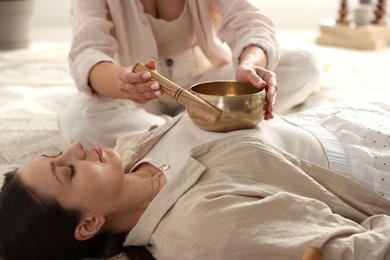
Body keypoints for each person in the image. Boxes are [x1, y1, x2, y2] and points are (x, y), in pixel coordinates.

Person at [1, 99, 389, 260]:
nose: (73, 148)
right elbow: (362, 250)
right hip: (369, 160)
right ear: (88, 223)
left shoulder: (131, 150)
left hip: (334, 116)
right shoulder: (205, 227)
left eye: (56, 154)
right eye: (67, 170)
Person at [58, 0, 321, 148]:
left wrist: (249, 64)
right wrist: (124, 83)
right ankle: (213, 129)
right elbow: (88, 53)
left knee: (303, 64)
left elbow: (251, 23)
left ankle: (175, 137)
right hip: (136, 91)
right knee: (79, 119)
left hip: (206, 84)